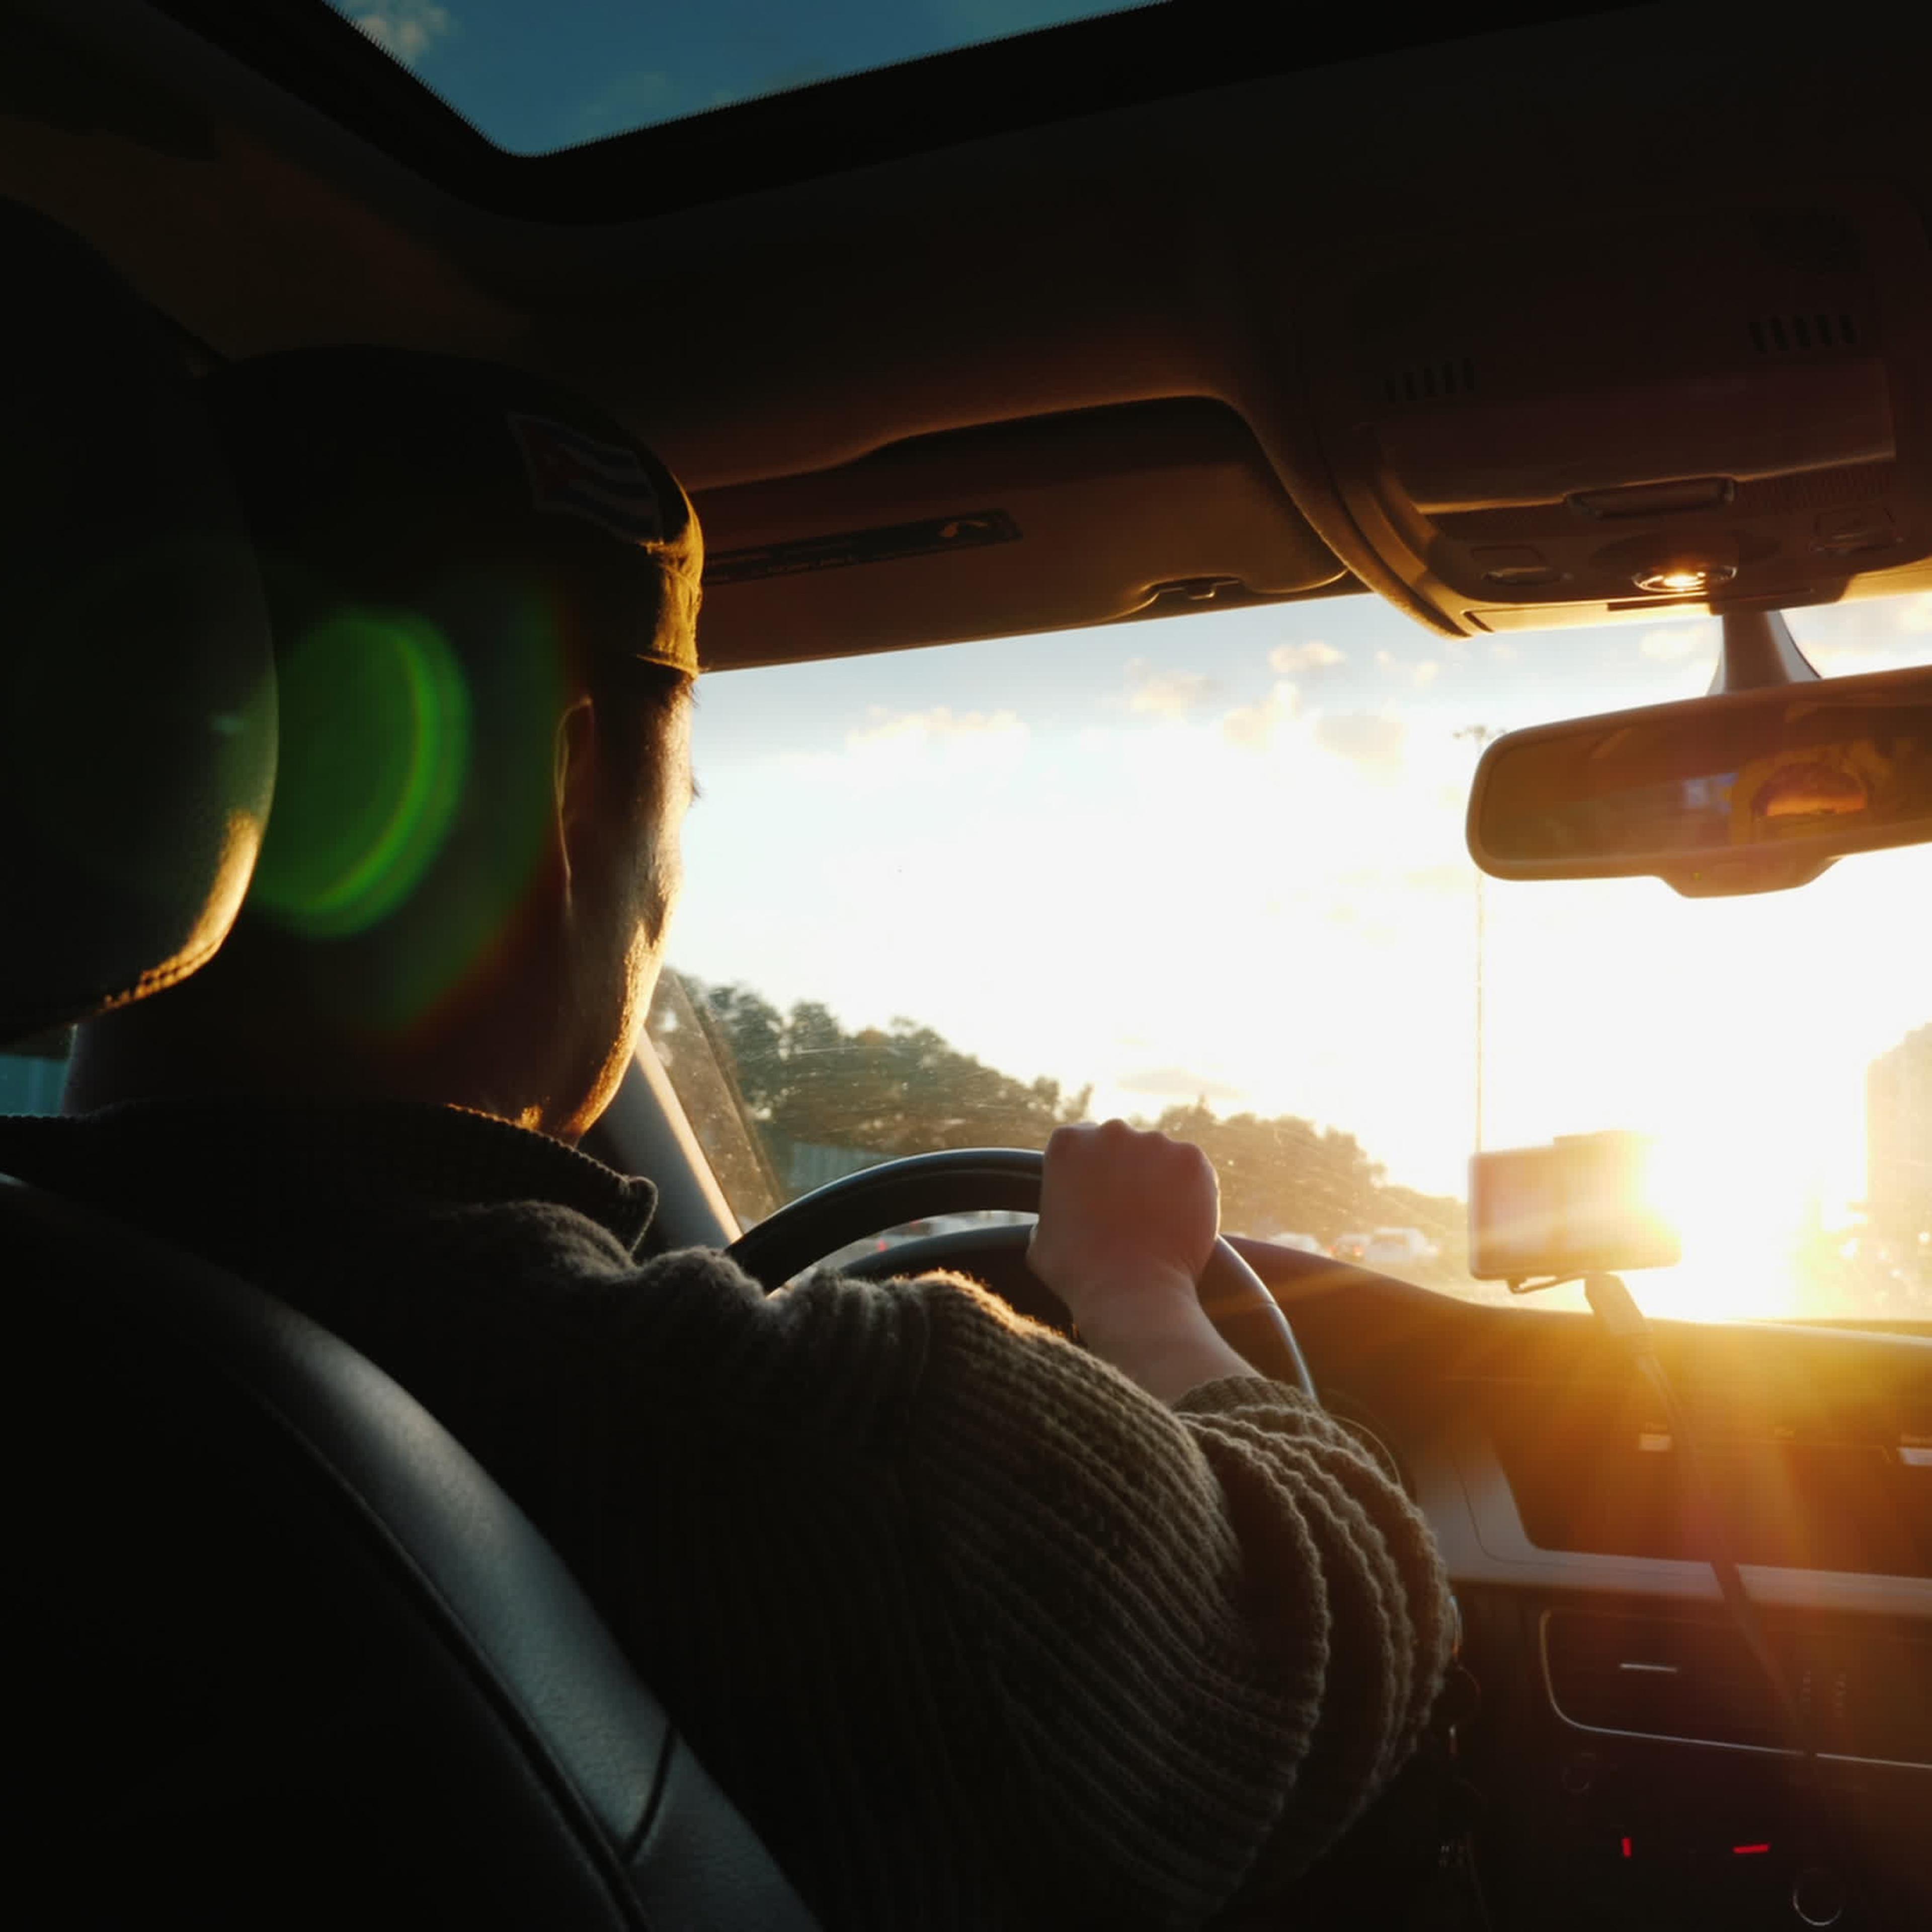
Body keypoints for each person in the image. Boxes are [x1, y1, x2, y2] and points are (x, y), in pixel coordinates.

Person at [0, 348, 1452, 1929]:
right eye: (677, 794)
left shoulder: (71, 1339)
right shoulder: (789, 1437)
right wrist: (1136, 1284)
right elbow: (1340, 1610)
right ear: (573, 804)